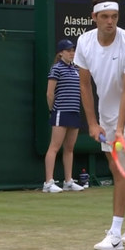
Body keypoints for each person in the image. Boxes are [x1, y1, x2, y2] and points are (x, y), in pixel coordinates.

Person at [75, 0, 125, 250]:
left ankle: (116, 235)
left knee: (120, 169)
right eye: (105, 17)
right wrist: (92, 123)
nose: (110, 22)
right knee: (114, 164)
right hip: (106, 108)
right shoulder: (84, 43)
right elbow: (84, 85)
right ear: (94, 17)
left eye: (115, 17)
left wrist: (119, 129)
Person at [43, 38, 85, 193]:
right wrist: (52, 110)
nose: (72, 53)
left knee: (69, 148)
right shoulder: (56, 68)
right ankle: (48, 183)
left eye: (73, 50)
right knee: (54, 147)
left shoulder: (77, 69)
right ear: (61, 53)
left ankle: (68, 181)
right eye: (68, 51)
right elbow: (49, 93)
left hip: (74, 112)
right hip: (60, 111)